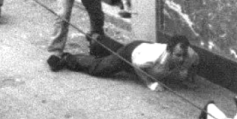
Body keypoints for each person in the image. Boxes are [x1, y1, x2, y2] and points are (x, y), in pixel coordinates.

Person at [55, 34, 198, 85]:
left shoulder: (190, 55)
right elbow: (136, 64)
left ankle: (98, 39)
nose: (181, 59)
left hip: (143, 48)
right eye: (177, 55)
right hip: (131, 55)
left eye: (183, 55)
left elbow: (195, 62)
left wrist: (189, 78)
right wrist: (149, 83)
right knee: (99, 68)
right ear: (169, 50)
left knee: (116, 50)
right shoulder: (155, 57)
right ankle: (68, 58)